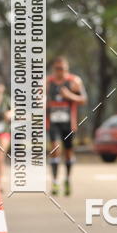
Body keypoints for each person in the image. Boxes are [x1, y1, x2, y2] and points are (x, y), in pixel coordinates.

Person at [46, 57, 87, 196]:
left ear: (67, 69)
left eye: (63, 69)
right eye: (58, 69)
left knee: (68, 152)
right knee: (55, 149)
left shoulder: (74, 81)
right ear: (54, 69)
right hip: (53, 122)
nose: (60, 71)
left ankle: (68, 180)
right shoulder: (47, 82)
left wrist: (69, 95)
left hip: (69, 123)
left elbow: (83, 99)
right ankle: (55, 182)